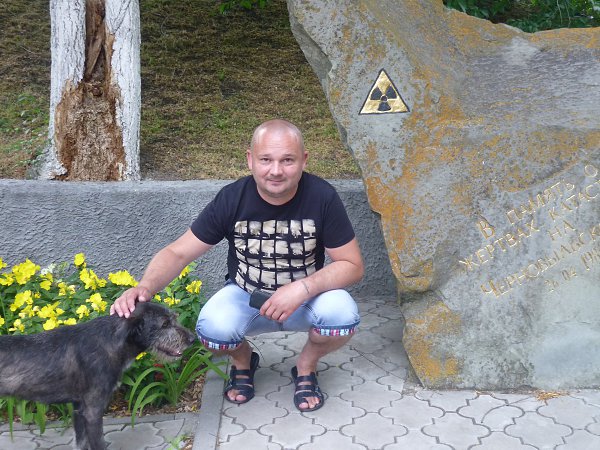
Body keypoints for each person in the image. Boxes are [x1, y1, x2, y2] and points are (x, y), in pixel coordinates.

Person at [111, 119, 364, 412]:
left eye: (287, 160)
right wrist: (144, 288)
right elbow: (177, 253)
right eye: (266, 159)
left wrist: (303, 288)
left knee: (343, 317)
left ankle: (306, 366)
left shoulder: (322, 197)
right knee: (212, 331)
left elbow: (352, 264)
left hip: (306, 298)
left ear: (304, 160)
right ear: (250, 160)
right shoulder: (232, 198)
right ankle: (243, 361)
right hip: (247, 295)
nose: (276, 170)